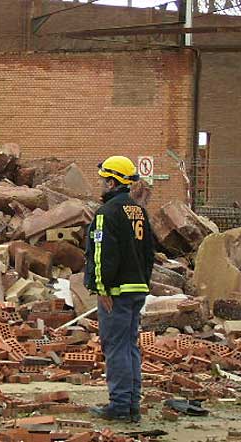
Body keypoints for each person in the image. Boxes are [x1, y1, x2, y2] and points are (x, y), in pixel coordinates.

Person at [84, 156, 155, 423]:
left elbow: (102, 254)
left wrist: (102, 288)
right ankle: (132, 404)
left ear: (113, 181)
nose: (101, 183)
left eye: (104, 179)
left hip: (116, 292)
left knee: (116, 348)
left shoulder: (107, 213)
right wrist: (144, 284)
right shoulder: (138, 211)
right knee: (129, 346)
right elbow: (150, 252)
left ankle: (120, 406)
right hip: (136, 289)